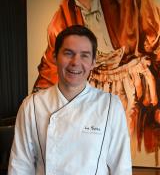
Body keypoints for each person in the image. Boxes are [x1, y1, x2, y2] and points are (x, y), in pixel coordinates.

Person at [33, 0, 160, 156]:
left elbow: (157, 43)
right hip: (92, 94)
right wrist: (36, 106)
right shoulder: (59, 19)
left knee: (126, 154)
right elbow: (50, 68)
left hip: (134, 92)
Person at [8, 25, 132, 175]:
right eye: (68, 53)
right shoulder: (32, 105)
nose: (75, 62)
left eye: (84, 55)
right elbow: (20, 165)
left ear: (93, 62)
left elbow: (121, 167)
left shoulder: (110, 105)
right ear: (55, 57)